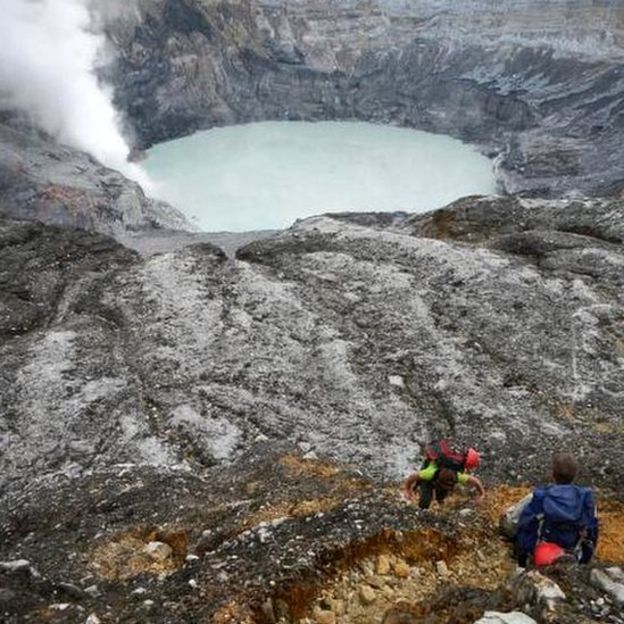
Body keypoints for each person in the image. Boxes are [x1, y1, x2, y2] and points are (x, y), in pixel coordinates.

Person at [515, 452, 599, 567]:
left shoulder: (541, 496)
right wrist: (585, 560)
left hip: (543, 553)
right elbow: (591, 532)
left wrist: (522, 559)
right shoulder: (585, 498)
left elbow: (525, 526)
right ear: (575, 475)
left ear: (552, 474)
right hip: (574, 553)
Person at [403, 439, 485, 509]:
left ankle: (439, 503)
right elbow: (412, 477)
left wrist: (482, 494)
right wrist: (407, 490)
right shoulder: (430, 473)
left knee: (441, 494)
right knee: (425, 501)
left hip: (439, 480)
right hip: (428, 480)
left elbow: (475, 481)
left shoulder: (457, 475)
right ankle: (424, 510)